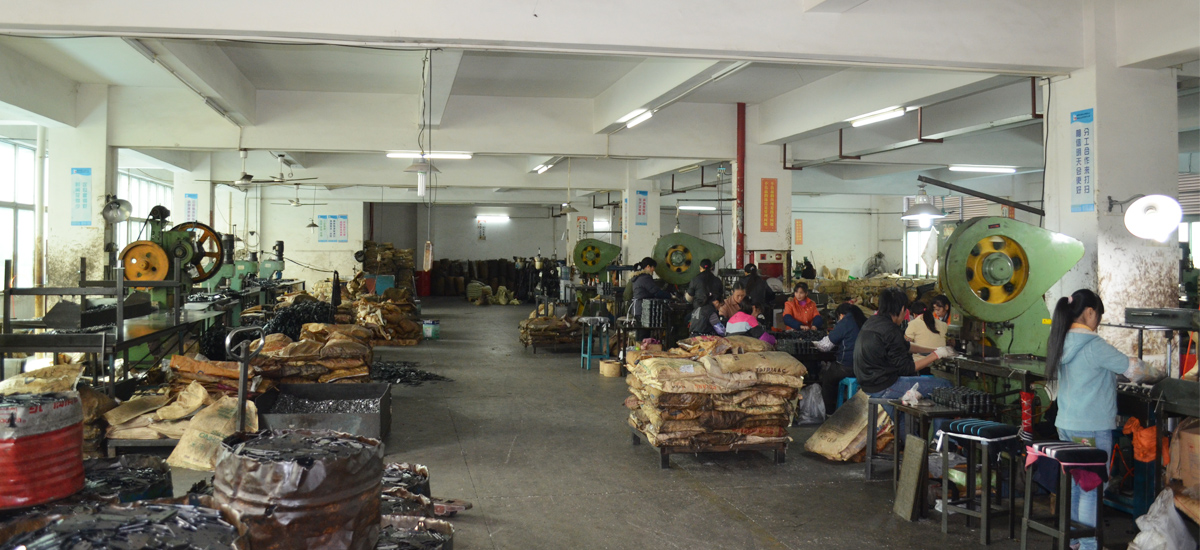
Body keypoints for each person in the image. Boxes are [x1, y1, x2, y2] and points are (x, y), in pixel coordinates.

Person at [1046, 289, 1142, 550]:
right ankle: (1089, 546)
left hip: (1066, 424)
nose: (1098, 321)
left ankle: (1075, 541)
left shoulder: (1061, 340)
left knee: (1076, 484)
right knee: (1091, 486)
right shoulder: (1093, 345)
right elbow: (1133, 369)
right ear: (1089, 312)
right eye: (1098, 315)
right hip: (1089, 426)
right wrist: (1158, 373)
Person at [854, 287, 957, 401]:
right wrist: (936, 355)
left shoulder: (872, 322)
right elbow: (907, 368)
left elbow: (905, 346)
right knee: (945, 384)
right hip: (884, 386)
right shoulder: (891, 329)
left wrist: (935, 349)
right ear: (903, 309)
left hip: (868, 384)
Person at [816, 302, 867, 412]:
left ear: (841, 315)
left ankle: (830, 412)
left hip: (847, 367)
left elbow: (825, 346)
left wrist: (815, 343)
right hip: (865, 367)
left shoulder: (845, 322)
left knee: (828, 378)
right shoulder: (863, 321)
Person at [630, 258, 671, 339]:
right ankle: (642, 347)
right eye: (653, 268)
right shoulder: (645, 278)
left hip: (638, 308)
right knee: (644, 335)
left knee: (641, 333)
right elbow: (656, 292)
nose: (653, 270)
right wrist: (670, 296)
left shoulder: (638, 277)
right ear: (648, 266)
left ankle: (640, 346)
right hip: (643, 309)